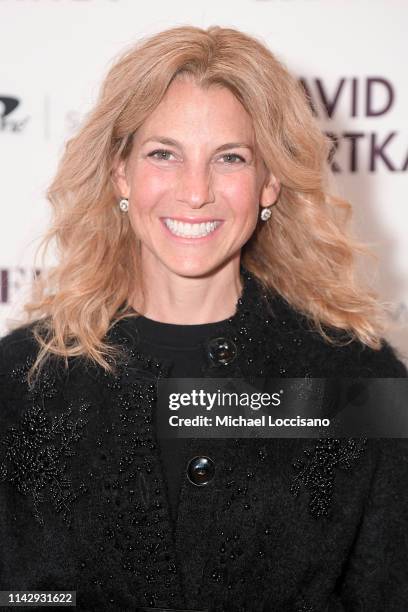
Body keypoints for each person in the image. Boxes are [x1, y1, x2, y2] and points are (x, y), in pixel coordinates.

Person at [0, 24, 407, 612]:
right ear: (122, 172)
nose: (195, 192)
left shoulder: (357, 385)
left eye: (230, 158)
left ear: (269, 183)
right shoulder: (23, 382)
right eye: (164, 154)